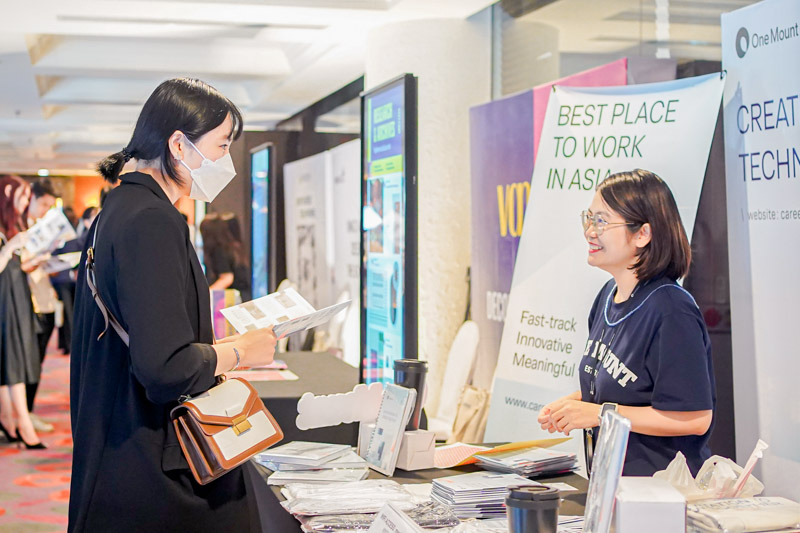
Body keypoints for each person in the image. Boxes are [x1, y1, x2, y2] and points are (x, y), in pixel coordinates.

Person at [70, 78, 278, 532]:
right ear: (179, 145)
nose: (227, 162)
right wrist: (243, 351)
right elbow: (165, 367)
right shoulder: (152, 221)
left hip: (122, 449)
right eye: (222, 146)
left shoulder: (120, 209)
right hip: (157, 471)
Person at [537, 169, 715, 477]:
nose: (590, 232)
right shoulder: (607, 296)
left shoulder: (671, 309)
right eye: (589, 219)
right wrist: (571, 405)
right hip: (612, 488)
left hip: (660, 496)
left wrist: (598, 414)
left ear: (643, 234)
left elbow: (695, 418)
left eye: (602, 221)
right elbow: (623, 391)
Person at [0, 175, 46, 449]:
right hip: (5, 302)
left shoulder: (12, 225)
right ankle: (20, 422)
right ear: (7, 192)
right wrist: (11, 246)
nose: (25, 202)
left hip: (16, 299)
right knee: (12, 358)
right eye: (22, 196)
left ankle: (10, 418)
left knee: (13, 358)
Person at [25, 179, 60, 432]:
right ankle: (23, 412)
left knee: (37, 360)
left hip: (45, 299)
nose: (45, 211)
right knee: (28, 361)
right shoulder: (19, 230)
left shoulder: (38, 228)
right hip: (29, 304)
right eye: (44, 205)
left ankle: (27, 411)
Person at [52, 206, 98, 356]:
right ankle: (70, 344)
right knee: (70, 312)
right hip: (67, 277)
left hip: (63, 278)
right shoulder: (79, 236)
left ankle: (69, 344)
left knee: (68, 313)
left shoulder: (72, 236)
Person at [199, 213, 251, 301]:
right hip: (242, 296)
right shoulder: (233, 247)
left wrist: (205, 296)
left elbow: (227, 278)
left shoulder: (218, 250)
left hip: (232, 299)